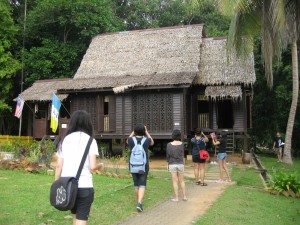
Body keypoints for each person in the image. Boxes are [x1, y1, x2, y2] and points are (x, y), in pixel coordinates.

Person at [55, 110, 103, 225]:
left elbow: (58, 165)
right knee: (81, 218)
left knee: (76, 216)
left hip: (68, 186)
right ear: (88, 123)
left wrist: (57, 184)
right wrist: (100, 166)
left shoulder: (65, 140)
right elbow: (92, 166)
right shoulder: (91, 141)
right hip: (84, 186)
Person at [127, 124, 154, 212]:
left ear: (134, 132)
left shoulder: (131, 140)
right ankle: (139, 202)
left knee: (136, 183)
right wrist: (146, 132)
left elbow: (127, 140)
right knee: (142, 183)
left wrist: (133, 132)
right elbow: (152, 142)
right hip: (143, 166)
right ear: (143, 131)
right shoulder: (146, 140)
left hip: (133, 165)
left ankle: (139, 202)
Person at [166, 129, 187, 202]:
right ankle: (184, 196)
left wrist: (167, 163)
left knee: (175, 181)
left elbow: (168, 155)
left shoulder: (169, 144)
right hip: (180, 163)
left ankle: (177, 198)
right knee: (182, 181)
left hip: (172, 163)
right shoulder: (182, 144)